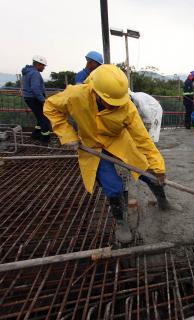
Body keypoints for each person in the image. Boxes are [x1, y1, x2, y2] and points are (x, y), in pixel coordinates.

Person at [44, 64, 172, 244]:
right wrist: (67, 135)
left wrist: (158, 168)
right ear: (95, 92)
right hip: (93, 146)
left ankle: (162, 200)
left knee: (147, 171)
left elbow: (143, 140)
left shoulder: (127, 107)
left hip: (119, 141)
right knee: (113, 186)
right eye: (111, 103)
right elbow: (50, 107)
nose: (115, 106)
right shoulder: (76, 95)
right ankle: (121, 222)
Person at [21, 55, 51, 143]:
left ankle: (36, 134)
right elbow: (35, 88)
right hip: (34, 98)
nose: (44, 67)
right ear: (38, 64)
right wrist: (43, 100)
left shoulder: (28, 72)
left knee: (40, 117)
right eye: (43, 65)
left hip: (29, 98)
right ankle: (45, 139)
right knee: (44, 118)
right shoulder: (35, 73)